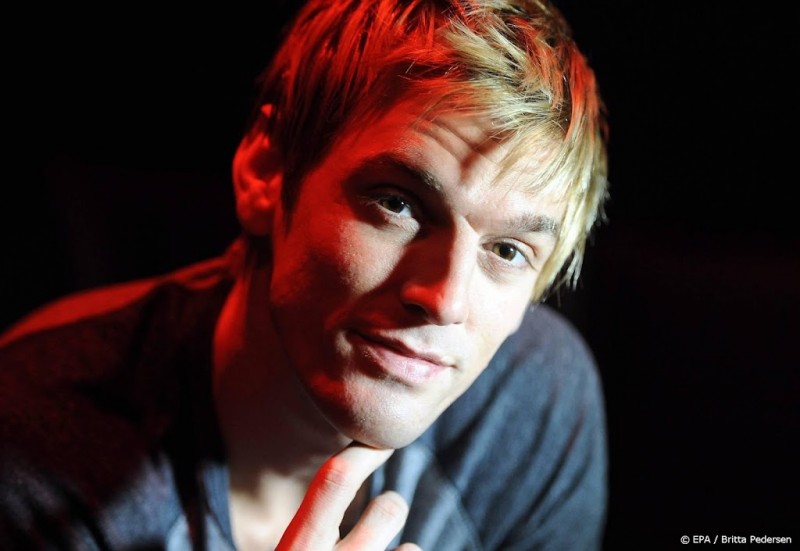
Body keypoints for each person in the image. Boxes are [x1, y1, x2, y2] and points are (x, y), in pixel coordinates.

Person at [1, 0, 609, 549]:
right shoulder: (33, 444)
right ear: (265, 170)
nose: (445, 299)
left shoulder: (531, 401)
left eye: (508, 251)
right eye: (397, 204)